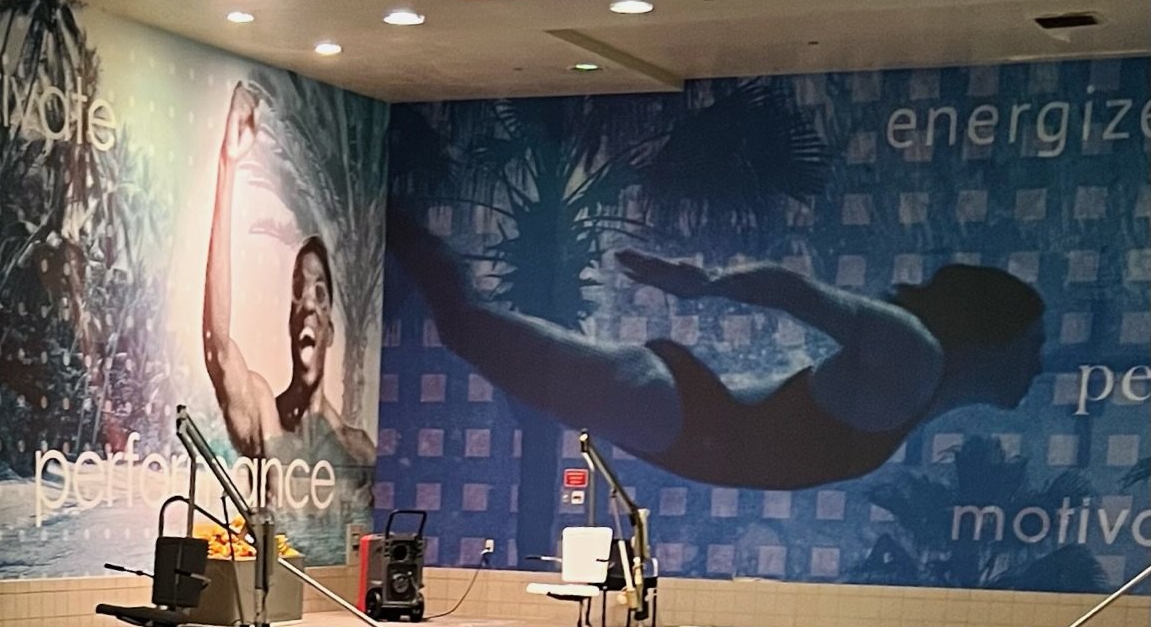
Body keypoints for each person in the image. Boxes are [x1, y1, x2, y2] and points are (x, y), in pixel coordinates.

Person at [389, 213, 1044, 490]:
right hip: (676, 409)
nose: (1040, 364)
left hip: (684, 421)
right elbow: (803, 293)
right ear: (998, 338)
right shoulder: (914, 354)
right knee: (464, 326)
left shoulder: (916, 387)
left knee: (465, 327)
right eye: (1033, 345)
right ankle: (392, 222)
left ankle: (399, 228)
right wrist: (705, 286)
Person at [204, 82, 375, 469]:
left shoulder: (357, 453)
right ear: (289, 321)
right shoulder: (267, 416)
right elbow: (218, 348)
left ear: (329, 330)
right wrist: (227, 167)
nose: (308, 306)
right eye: (298, 293)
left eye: (319, 294)